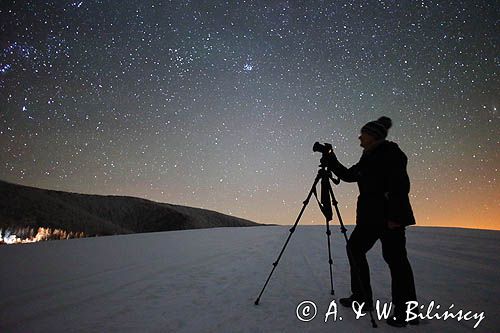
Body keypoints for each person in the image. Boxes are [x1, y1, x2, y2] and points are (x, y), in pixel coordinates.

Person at [321, 116, 418, 327]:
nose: (359, 137)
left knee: (396, 261)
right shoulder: (369, 156)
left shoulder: (391, 154)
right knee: (355, 249)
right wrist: (331, 159)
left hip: (389, 218)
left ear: (373, 136)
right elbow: (348, 175)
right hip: (370, 218)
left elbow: (401, 186)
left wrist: (396, 217)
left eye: (362, 133)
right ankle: (361, 298)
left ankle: (407, 312)